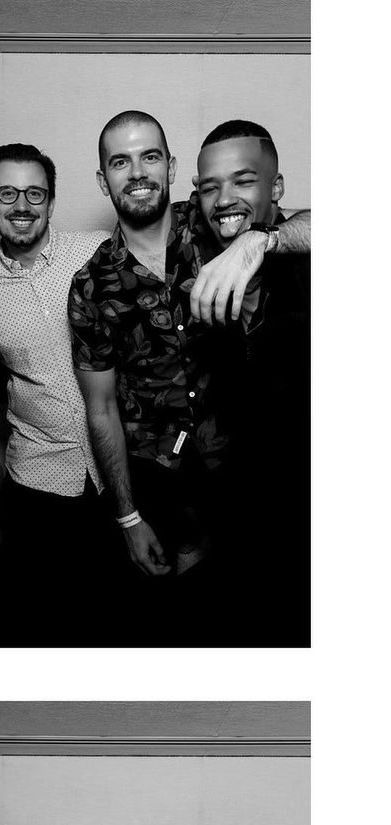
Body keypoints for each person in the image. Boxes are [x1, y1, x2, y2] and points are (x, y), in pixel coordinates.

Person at [68, 110, 310, 643]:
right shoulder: (90, 286)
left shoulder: (217, 216)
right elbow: (100, 409)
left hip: (252, 471)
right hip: (165, 484)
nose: (137, 172)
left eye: (150, 156)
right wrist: (128, 518)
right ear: (103, 180)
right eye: (120, 162)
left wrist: (258, 242)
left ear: (172, 167)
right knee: (183, 626)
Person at [0, 143, 122, 646]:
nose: (22, 205)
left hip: (120, 473)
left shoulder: (98, 251)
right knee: (39, 626)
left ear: (52, 201)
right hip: (38, 483)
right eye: (7, 193)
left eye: (35, 193)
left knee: (122, 621)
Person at [191, 120, 310, 644]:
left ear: (276, 187)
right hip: (240, 516)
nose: (223, 199)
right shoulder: (198, 260)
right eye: (209, 187)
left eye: (243, 180)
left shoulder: (306, 256)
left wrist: (263, 239)